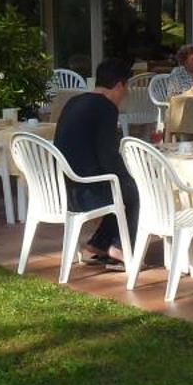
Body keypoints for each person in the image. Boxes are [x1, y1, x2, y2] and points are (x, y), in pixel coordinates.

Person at [54, 57, 138, 270]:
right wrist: (129, 173)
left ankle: (99, 243)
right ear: (119, 85)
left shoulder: (75, 101)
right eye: (125, 88)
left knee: (121, 185)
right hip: (88, 191)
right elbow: (107, 155)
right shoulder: (106, 107)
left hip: (66, 186)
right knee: (135, 189)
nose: (125, 95)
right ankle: (119, 247)